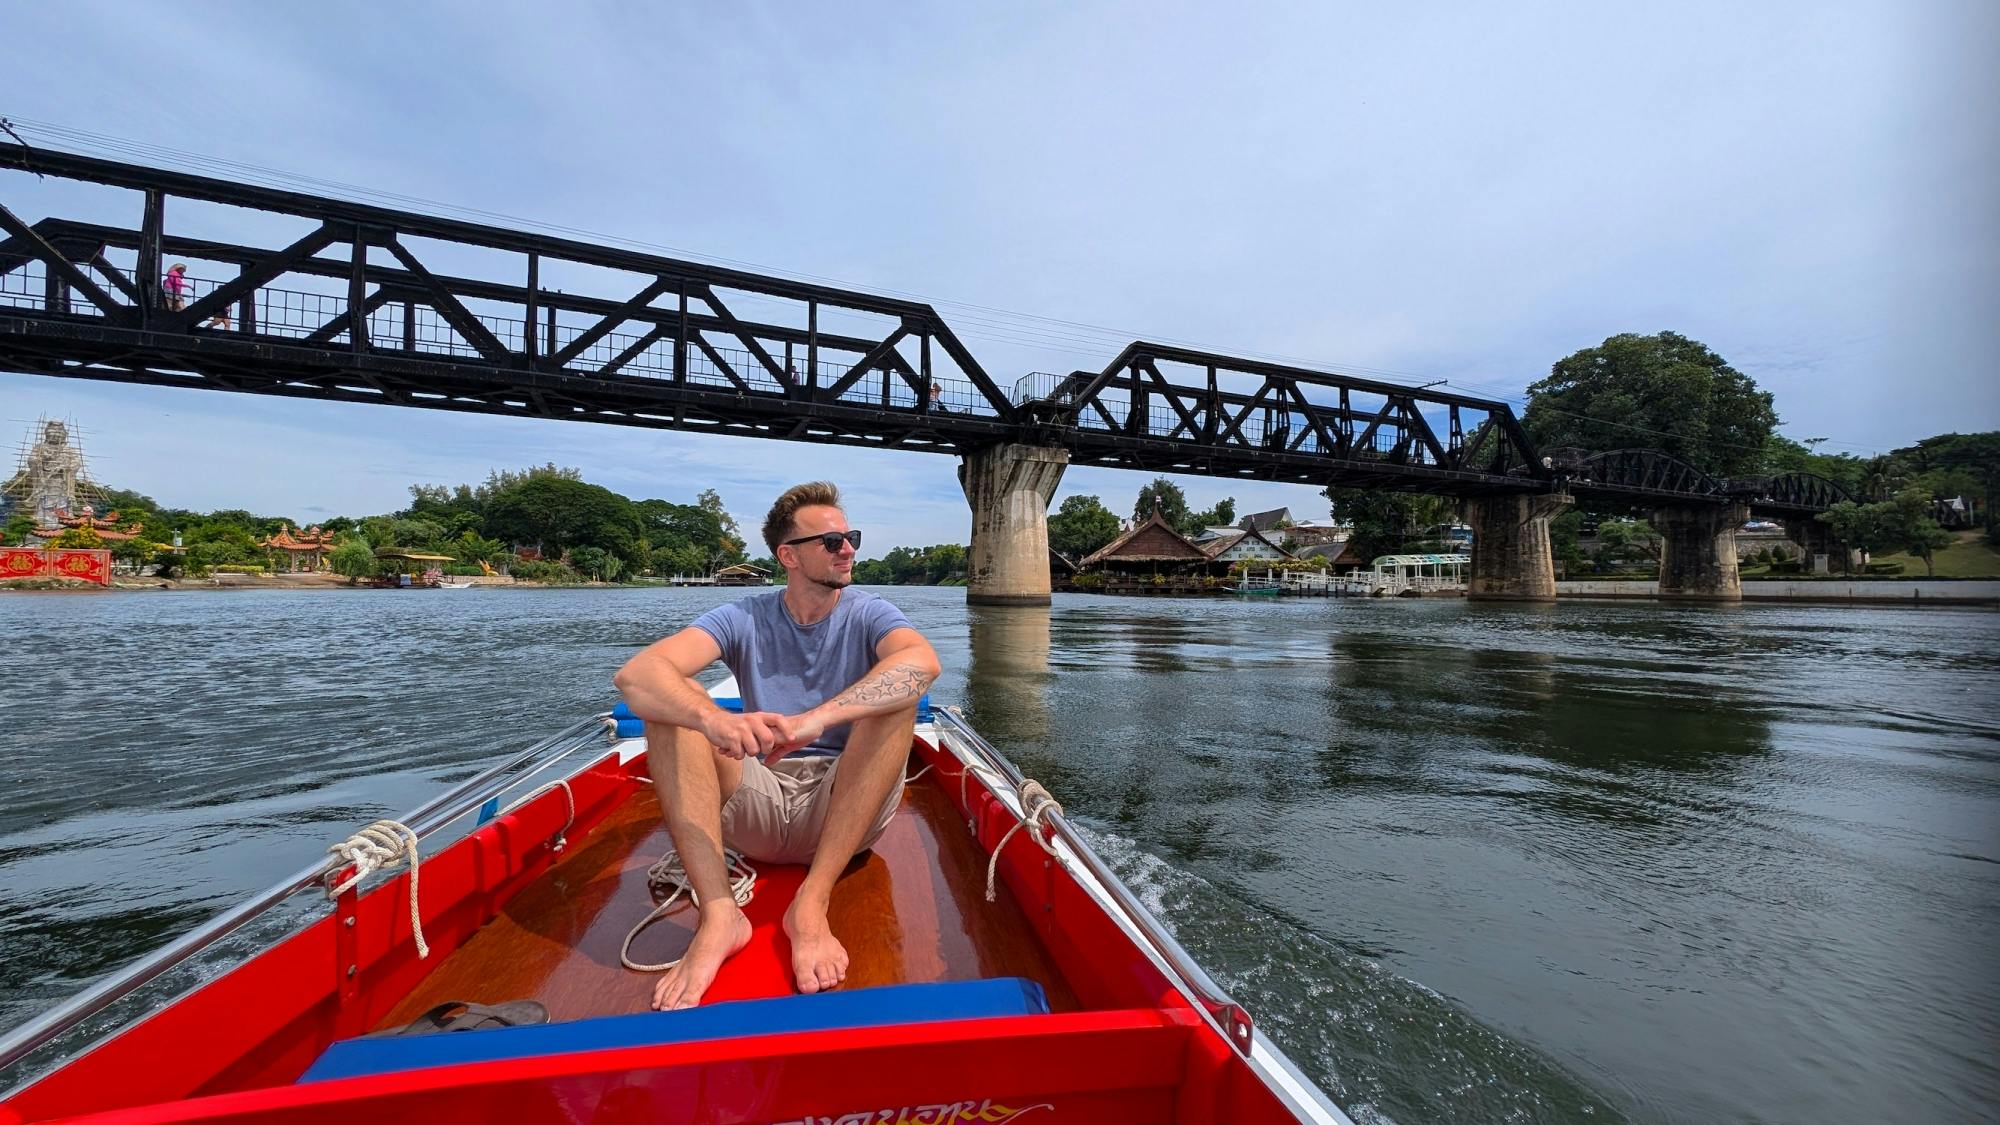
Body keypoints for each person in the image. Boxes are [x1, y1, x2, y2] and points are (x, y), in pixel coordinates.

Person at [613, 481, 940, 1010]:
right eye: (831, 541)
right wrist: (712, 720)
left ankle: (812, 902)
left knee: (896, 697)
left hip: (843, 811)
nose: (849, 549)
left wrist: (817, 720)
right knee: (672, 706)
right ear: (788, 555)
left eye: (850, 537)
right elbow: (636, 675)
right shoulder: (743, 616)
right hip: (757, 799)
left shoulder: (869, 612)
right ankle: (720, 916)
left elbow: (922, 664)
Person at [161, 263, 230, 330]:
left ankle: (194, 323)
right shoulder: (173, 274)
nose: (183, 271)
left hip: (176, 294)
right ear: (178, 268)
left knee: (179, 308)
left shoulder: (176, 274)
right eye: (183, 270)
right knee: (171, 307)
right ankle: (194, 323)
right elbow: (176, 283)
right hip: (170, 293)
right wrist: (189, 286)